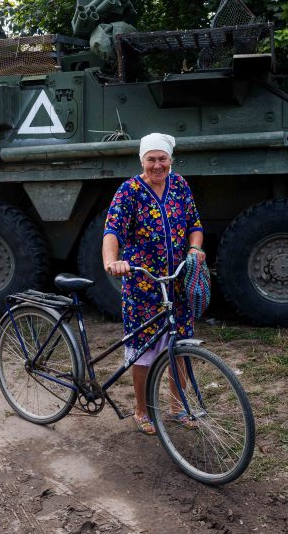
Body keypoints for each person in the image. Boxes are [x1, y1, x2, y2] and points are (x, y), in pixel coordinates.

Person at [101, 132, 205, 435]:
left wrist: (195, 248)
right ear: (142, 160)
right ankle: (141, 410)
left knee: (180, 345)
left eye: (162, 159)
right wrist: (112, 260)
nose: (157, 165)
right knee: (143, 351)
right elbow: (113, 231)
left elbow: (195, 225)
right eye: (151, 159)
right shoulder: (129, 190)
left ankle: (176, 407)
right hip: (142, 284)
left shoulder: (180, 185)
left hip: (177, 282)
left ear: (170, 159)